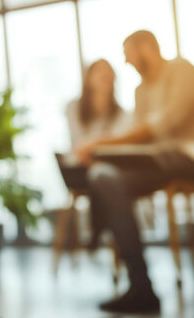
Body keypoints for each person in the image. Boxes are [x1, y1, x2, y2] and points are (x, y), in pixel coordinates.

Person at [78, 30, 194, 313]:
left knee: (147, 156)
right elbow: (139, 140)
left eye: (128, 53)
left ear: (145, 47)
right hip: (156, 164)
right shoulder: (140, 90)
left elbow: (162, 126)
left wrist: (99, 143)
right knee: (102, 176)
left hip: (189, 157)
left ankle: (98, 228)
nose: (126, 61)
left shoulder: (182, 70)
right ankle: (141, 287)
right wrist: (102, 156)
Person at [65, 59, 130, 250]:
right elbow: (78, 143)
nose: (104, 76)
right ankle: (102, 229)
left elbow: (118, 146)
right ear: (88, 79)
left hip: (107, 167)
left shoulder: (121, 113)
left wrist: (96, 150)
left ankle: (97, 231)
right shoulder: (74, 107)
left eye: (108, 72)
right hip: (78, 167)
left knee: (102, 177)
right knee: (103, 178)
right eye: (99, 72)